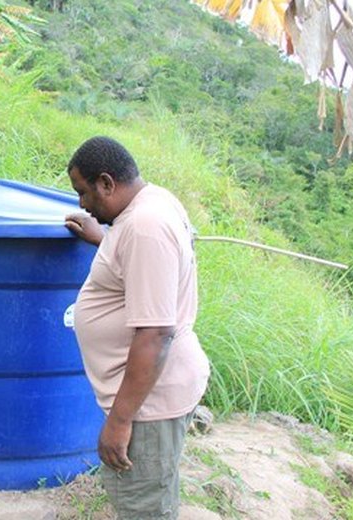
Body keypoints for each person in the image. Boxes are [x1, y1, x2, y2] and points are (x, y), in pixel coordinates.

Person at [64, 136, 210, 519]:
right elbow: (144, 262)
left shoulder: (145, 228)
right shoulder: (151, 203)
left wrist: (120, 421)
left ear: (107, 183)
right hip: (154, 395)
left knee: (143, 508)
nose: (82, 205)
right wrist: (107, 242)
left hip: (149, 404)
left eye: (84, 192)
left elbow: (155, 334)